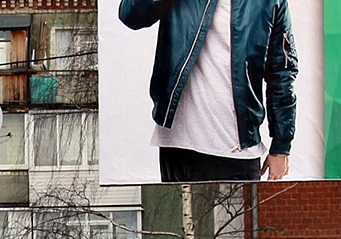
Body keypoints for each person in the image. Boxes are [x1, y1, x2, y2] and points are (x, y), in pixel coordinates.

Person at [119, 0, 297, 182]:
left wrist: (281, 146)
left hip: (235, 148)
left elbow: (281, 72)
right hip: (178, 145)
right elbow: (131, 15)